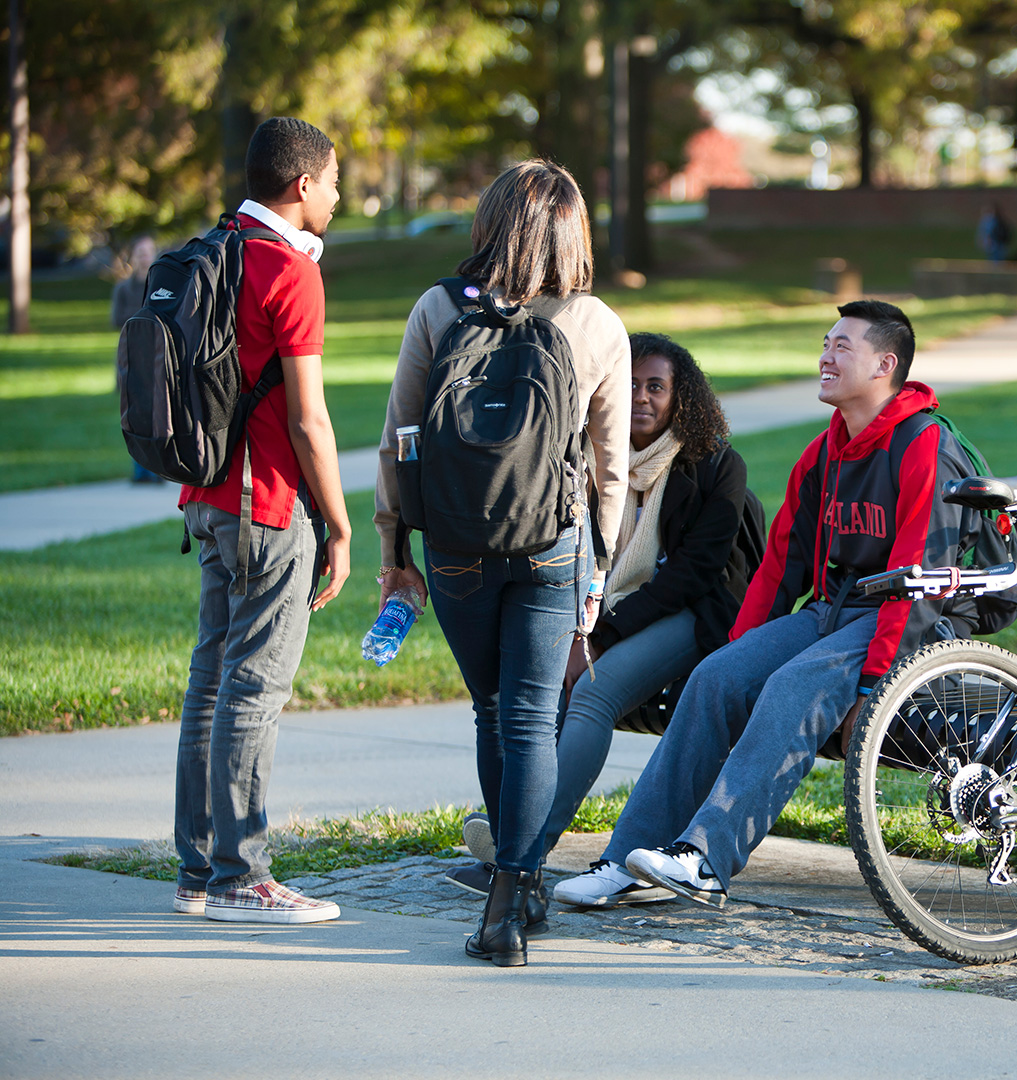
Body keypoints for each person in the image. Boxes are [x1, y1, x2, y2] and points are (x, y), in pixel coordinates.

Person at [554, 298, 995, 911]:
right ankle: (631, 860)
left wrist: (873, 685)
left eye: (843, 346)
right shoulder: (825, 452)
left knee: (796, 684)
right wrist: (742, 654)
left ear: (884, 365)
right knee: (716, 677)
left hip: (927, 614)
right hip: (845, 605)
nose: (825, 354)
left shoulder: (924, 445)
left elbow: (923, 581)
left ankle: (706, 858)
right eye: (825, 342)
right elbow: (778, 567)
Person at [374, 159, 630, 966]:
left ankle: (506, 893)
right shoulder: (596, 324)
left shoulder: (437, 306)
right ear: (572, 232)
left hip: (454, 546)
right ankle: (513, 897)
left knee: (493, 713)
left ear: (489, 221)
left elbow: (398, 439)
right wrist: (600, 564)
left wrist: (394, 549)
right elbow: (611, 465)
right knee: (530, 718)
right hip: (555, 542)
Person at [451, 332, 752, 904]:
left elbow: (693, 574)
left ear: (681, 398)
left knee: (592, 690)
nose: (641, 397)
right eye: (631, 384)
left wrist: (597, 634)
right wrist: (574, 626)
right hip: (599, 613)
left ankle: (522, 858)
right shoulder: (586, 462)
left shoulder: (715, 467)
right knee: (539, 691)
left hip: (693, 616)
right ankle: (512, 835)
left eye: (656, 387)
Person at [173, 117, 351, 924]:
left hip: (206, 499)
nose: (341, 195)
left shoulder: (217, 249)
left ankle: (197, 870)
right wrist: (342, 528)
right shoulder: (289, 270)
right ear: (303, 184)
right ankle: (242, 876)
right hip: (268, 502)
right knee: (255, 689)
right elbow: (311, 421)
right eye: (335, 180)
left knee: (210, 685)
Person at [112, 236, 164, 482]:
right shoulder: (123, 288)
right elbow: (116, 319)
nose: (144, 258)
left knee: (158, 415)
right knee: (134, 416)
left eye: (148, 252)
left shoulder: (161, 284)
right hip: (132, 358)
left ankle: (156, 469)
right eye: (140, 253)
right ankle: (139, 471)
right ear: (133, 257)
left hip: (157, 358)